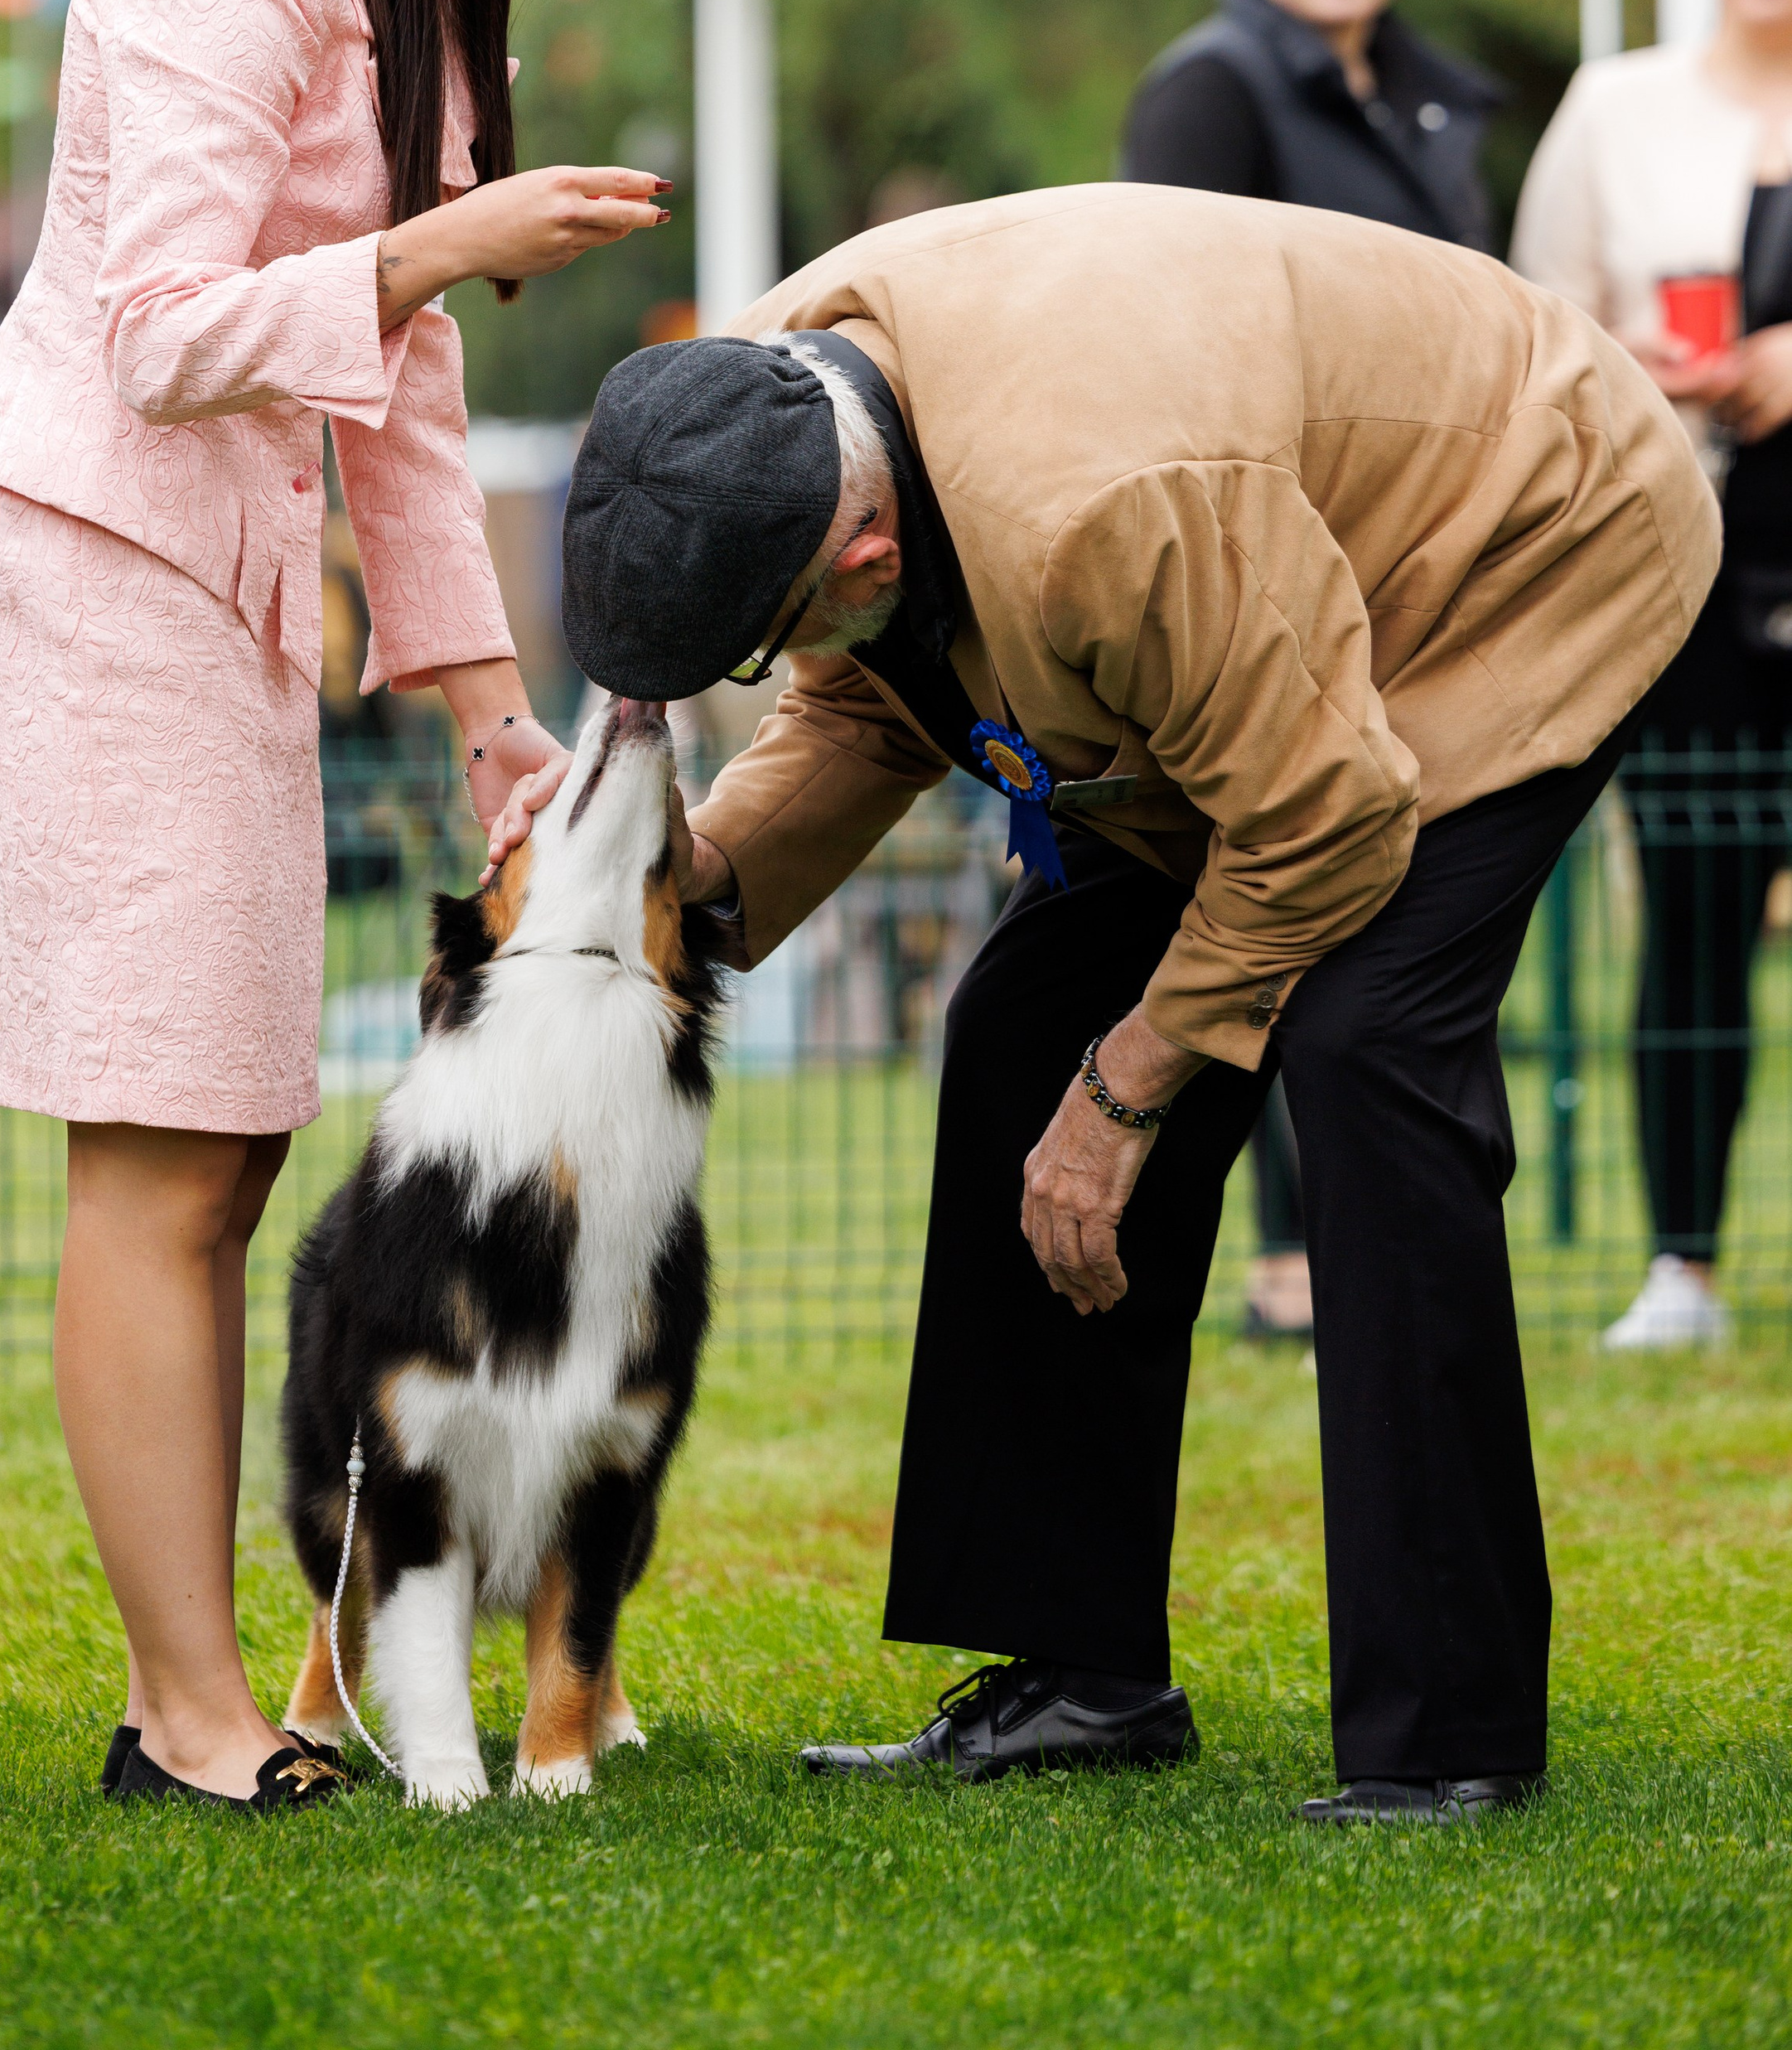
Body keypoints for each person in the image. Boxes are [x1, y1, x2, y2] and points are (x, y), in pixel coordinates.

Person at [557, 187, 1712, 1822]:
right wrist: (673, 894)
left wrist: (1126, 1095)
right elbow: (869, 699)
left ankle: (1445, 1727)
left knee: (1363, 1040)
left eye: (763, 637)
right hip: (1245, 625)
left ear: (864, 547)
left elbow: (1322, 813)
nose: (776, 660)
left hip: (1522, 541)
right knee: (1024, 1019)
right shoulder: (782, 397)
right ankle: (1076, 1671)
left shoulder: (1094, 509)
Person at [0, 0, 671, 1815]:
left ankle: (235, 1683)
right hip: (98, 586)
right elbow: (166, 326)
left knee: (232, 1145)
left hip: (233, 607)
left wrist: (483, 705)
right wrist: (443, 242)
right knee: (159, 1154)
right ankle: (185, 1717)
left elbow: (405, 398)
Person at [1123, 0, 1502, 1338]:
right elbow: (1175, 338)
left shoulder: (1424, 98)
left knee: (1403, 914)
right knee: (1287, 888)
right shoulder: (1205, 97)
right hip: (1280, 573)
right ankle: (1284, 1249)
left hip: (1423, 567)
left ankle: (1376, 1234)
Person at [1511, 0, 1792, 1351]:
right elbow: (1539, 320)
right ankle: (1681, 1257)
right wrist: (1653, 368)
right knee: (1689, 905)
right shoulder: (1616, 110)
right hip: (1682, 552)